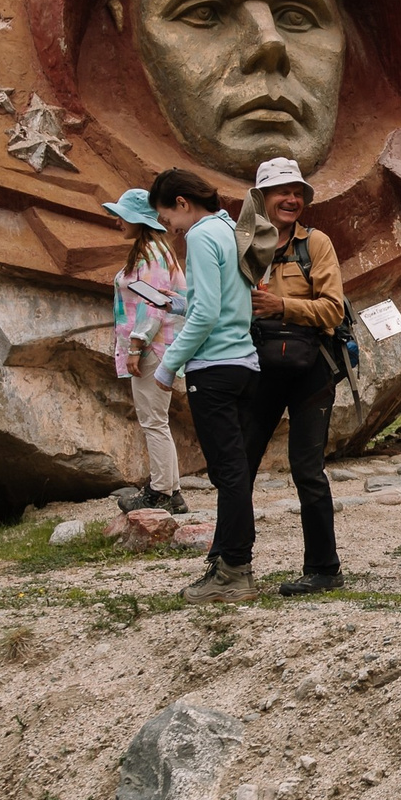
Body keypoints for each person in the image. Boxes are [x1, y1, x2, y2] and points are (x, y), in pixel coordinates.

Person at [239, 157, 347, 597]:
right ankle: (230, 562)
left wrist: (282, 308)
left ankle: (324, 569)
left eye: (298, 191)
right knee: (238, 467)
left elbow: (334, 309)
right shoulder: (241, 244)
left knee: (308, 470)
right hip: (256, 368)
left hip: (310, 372)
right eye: (282, 191)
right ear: (261, 198)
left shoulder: (316, 244)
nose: (292, 199)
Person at [151, 167, 259, 603]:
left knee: (228, 473)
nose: (169, 229)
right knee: (236, 471)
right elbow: (227, 299)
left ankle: (234, 570)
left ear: (181, 203)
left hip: (212, 366)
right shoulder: (230, 228)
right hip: (244, 362)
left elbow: (207, 312)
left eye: (166, 218)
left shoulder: (198, 235)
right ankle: (229, 561)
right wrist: (183, 302)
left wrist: (168, 365)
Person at [106, 187, 188, 512]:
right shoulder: (156, 251)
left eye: (122, 216)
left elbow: (152, 303)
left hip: (153, 345)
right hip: (158, 344)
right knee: (157, 419)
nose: (116, 221)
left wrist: (137, 344)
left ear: (138, 219)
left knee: (153, 420)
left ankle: (160, 492)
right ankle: (173, 491)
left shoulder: (151, 254)